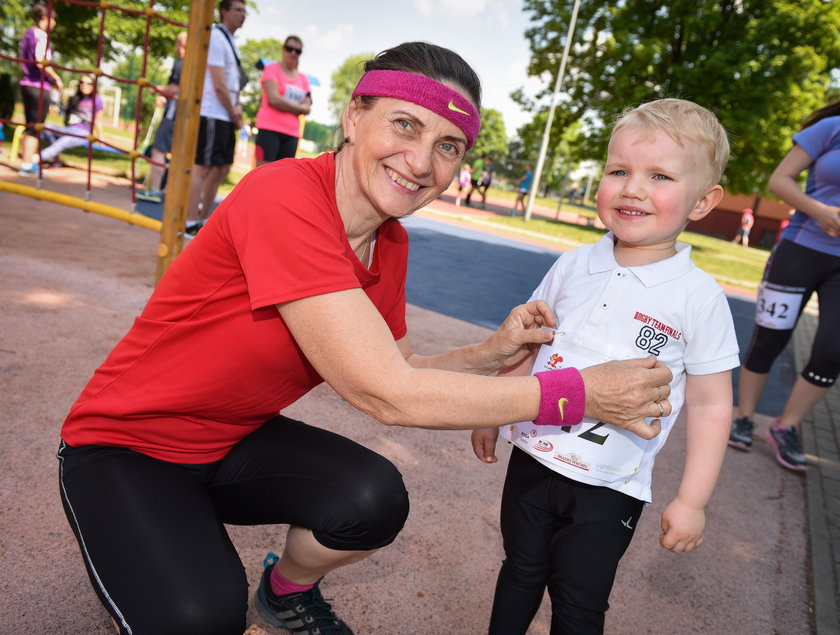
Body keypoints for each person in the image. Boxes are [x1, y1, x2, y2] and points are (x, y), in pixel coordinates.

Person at [57, 42, 674, 635]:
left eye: (448, 146)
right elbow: (389, 395)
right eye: (405, 126)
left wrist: (491, 353)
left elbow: (401, 364)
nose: (422, 162)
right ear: (354, 116)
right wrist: (579, 394)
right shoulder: (282, 195)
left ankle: (285, 593)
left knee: (372, 498)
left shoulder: (387, 238)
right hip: (126, 447)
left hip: (229, 441)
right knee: (201, 619)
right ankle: (162, 535)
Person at [471, 98, 739, 634]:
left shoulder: (699, 298)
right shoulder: (572, 265)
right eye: (619, 171)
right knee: (520, 569)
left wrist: (692, 500)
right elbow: (529, 339)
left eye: (659, 175)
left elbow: (712, 404)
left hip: (610, 483)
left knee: (579, 600)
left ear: (703, 201)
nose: (633, 188)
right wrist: (493, 410)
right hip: (532, 457)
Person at [729, 100, 840, 471]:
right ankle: (744, 418)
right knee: (770, 338)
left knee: (832, 350)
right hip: (801, 249)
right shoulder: (831, 128)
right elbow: (779, 180)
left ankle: (785, 426)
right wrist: (820, 210)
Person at [184, 0, 247, 237]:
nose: (243, 15)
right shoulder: (217, 38)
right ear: (224, 12)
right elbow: (219, 82)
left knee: (222, 167)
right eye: (238, 10)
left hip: (225, 114)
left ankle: (202, 216)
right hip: (213, 112)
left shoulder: (231, 42)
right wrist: (233, 111)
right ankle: (190, 220)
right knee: (202, 166)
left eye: (245, 11)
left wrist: (236, 108)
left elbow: (232, 83)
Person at [137, 31, 187, 204]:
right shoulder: (198, 65)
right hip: (189, 116)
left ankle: (156, 189)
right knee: (180, 154)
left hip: (175, 116)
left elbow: (176, 88)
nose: (179, 48)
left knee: (158, 150)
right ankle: (171, 190)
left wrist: (157, 89)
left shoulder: (181, 63)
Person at [18, 3, 63, 176]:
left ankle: (27, 161)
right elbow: (39, 60)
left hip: (27, 84)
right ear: (44, 19)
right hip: (38, 86)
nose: (54, 24)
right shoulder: (41, 35)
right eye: (52, 20)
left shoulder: (28, 33)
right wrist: (56, 77)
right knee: (35, 127)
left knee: (31, 125)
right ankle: (27, 164)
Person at [254, 35, 311, 166]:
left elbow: (307, 106)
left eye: (297, 51)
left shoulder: (303, 79)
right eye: (289, 48)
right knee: (262, 175)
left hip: (291, 135)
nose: (293, 53)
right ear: (283, 49)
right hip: (269, 130)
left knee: (282, 177)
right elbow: (273, 99)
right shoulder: (271, 69)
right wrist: (299, 108)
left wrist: (285, 104)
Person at [35, 75, 103, 165]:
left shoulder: (97, 100)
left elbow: (98, 120)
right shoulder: (75, 98)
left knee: (63, 141)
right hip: (70, 129)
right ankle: (56, 159)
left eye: (88, 83)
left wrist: (100, 137)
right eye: (82, 82)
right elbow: (66, 116)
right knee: (46, 128)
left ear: (93, 86)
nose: (84, 85)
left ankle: (33, 159)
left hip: (84, 132)